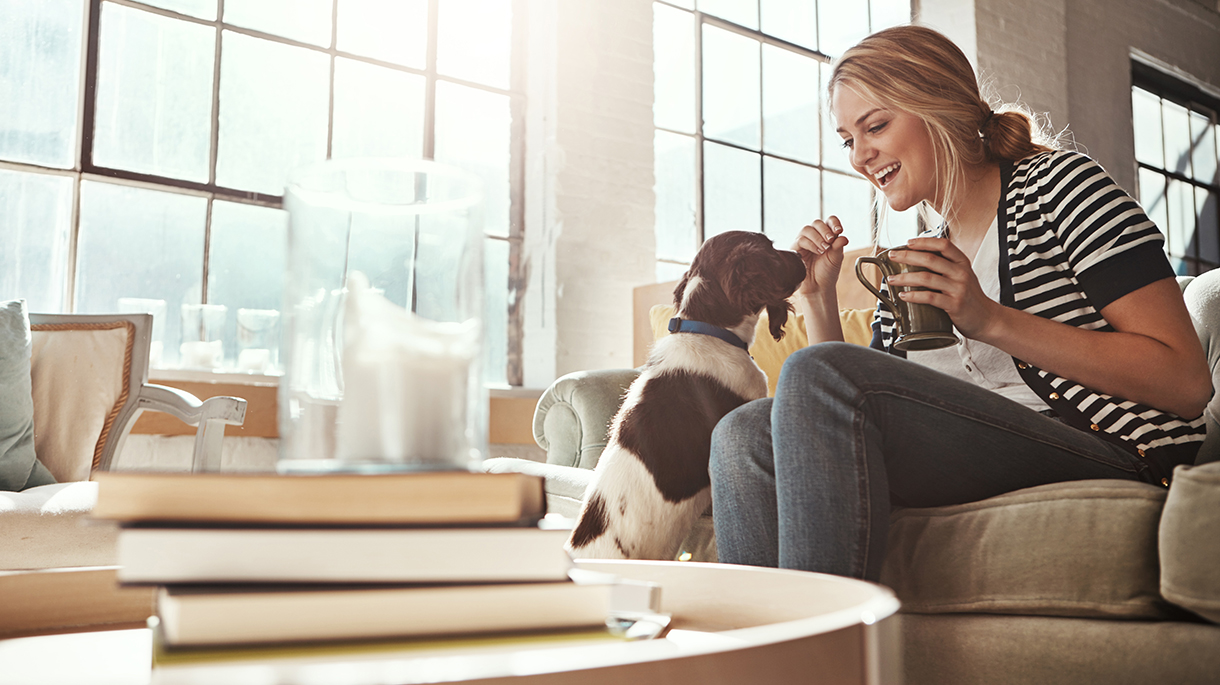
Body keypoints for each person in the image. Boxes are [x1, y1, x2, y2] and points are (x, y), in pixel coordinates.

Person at [707, 24, 1212, 581]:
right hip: (974, 452)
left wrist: (990, 319)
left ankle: (828, 647)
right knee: (744, 433)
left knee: (810, 382)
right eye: (849, 139)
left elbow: (1185, 383)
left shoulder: (1060, 188)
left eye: (875, 126)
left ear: (940, 107)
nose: (860, 155)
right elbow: (845, 408)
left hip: (1105, 449)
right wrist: (817, 298)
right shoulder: (917, 255)